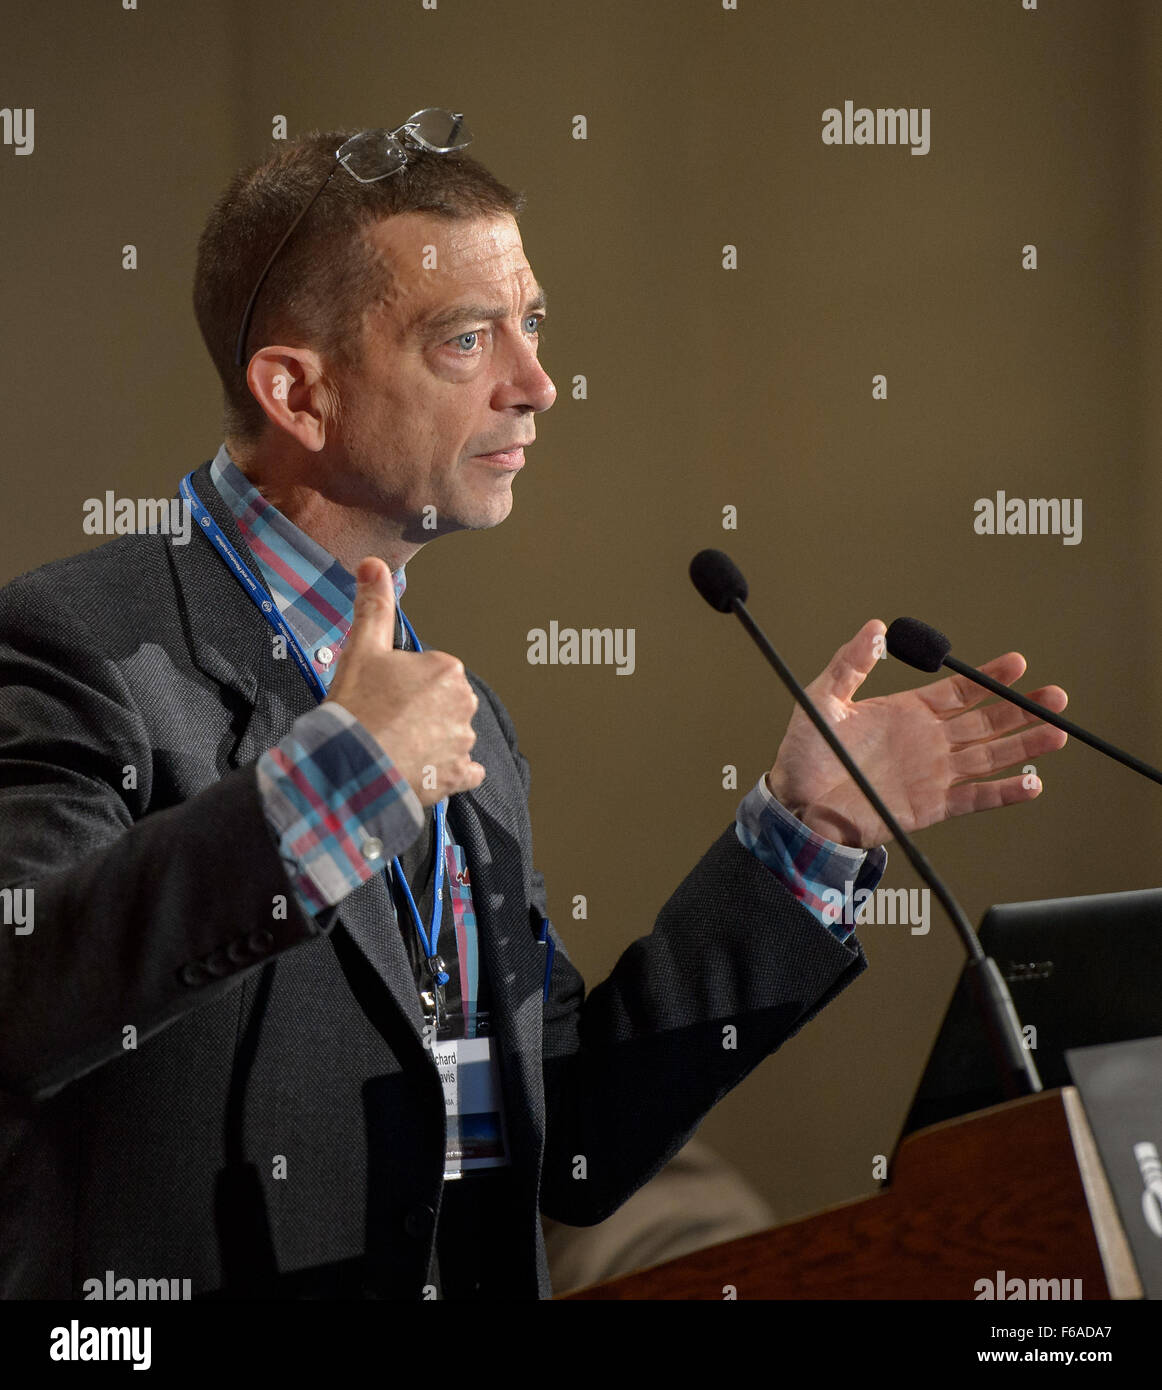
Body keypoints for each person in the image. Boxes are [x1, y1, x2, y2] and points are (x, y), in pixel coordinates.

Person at [0, 110, 1069, 1300]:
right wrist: (324, 790)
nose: (539, 384)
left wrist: (804, 840)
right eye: (468, 340)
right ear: (298, 393)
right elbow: (22, 985)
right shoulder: (80, 648)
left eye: (535, 323)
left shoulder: (466, 726)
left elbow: (570, 1144)